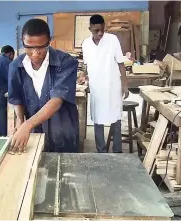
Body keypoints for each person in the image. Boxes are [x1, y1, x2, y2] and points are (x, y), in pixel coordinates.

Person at [8, 18, 79, 153]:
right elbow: (16, 99)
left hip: (62, 131)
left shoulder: (66, 62)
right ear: (22, 41)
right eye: (29, 47)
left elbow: (57, 100)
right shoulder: (15, 66)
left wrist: (28, 125)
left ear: (49, 41)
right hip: (34, 133)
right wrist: (20, 123)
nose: (35, 53)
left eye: (41, 47)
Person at [81, 14, 129, 153]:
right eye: (96, 30)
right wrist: (84, 75)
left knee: (116, 118)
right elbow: (86, 65)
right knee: (97, 119)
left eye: (102, 29)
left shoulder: (112, 40)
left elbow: (121, 63)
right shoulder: (86, 44)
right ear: (90, 28)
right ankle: (101, 151)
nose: (100, 33)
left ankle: (118, 151)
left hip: (113, 86)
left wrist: (125, 85)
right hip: (96, 88)